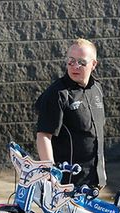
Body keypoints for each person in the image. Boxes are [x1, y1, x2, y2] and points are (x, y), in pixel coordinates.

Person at [35, 38, 106, 188]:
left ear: (93, 64)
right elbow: (44, 136)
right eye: (71, 61)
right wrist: (50, 171)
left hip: (94, 181)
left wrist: (101, 172)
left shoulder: (97, 89)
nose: (75, 66)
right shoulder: (57, 94)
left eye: (82, 62)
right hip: (68, 183)